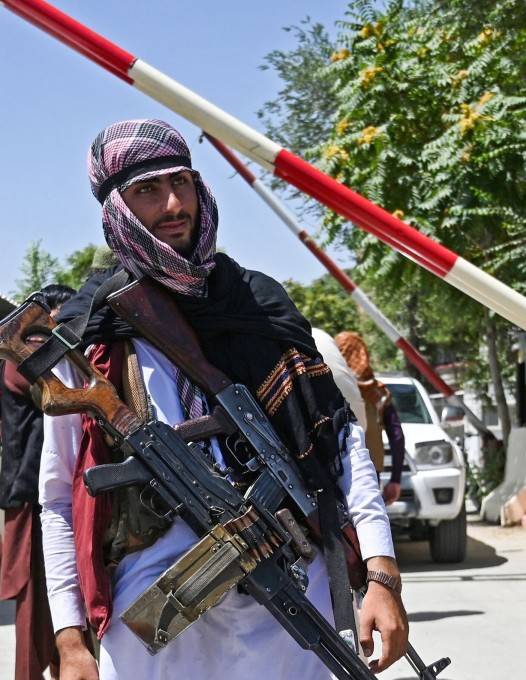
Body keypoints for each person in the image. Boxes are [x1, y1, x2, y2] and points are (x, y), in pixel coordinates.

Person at [37, 119, 408, 680]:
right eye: (147, 191)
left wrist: (381, 575)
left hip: (286, 604)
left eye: (181, 182)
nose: (172, 204)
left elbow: (340, 442)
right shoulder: (88, 337)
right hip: (155, 629)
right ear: (116, 208)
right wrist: (70, 638)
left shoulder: (259, 307)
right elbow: (59, 498)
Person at [1, 284, 76, 680]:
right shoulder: (29, 348)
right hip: (33, 493)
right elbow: (47, 392)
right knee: (34, 607)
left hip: (42, 488)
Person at [336, 332, 406, 506]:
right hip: (369, 474)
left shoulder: (330, 385)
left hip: (334, 471)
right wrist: (395, 479)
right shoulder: (378, 393)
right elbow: (397, 436)